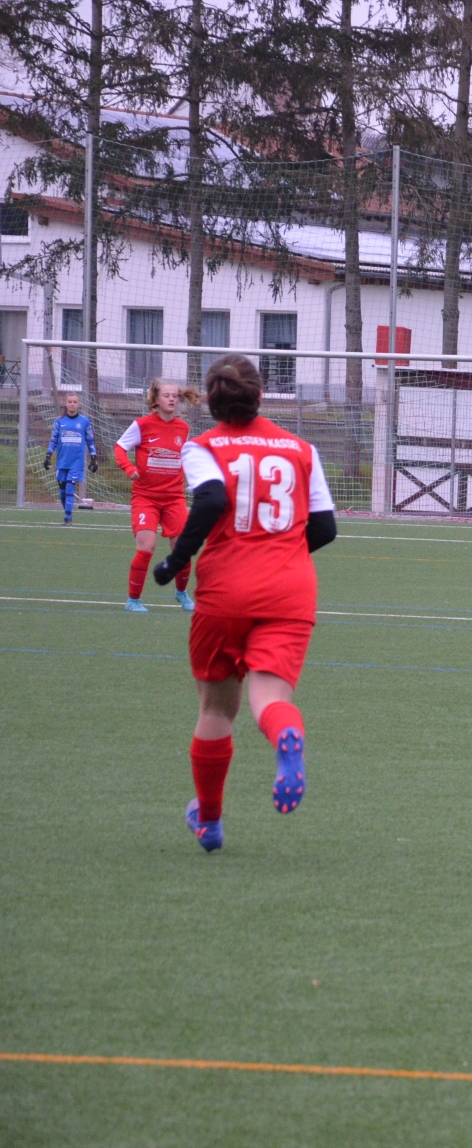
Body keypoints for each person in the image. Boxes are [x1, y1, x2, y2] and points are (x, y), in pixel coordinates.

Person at [151, 355, 337, 853]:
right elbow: (325, 528)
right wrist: (280, 555)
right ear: (261, 396)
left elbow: (210, 500)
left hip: (226, 589)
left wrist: (176, 560)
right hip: (290, 590)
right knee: (270, 701)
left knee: (215, 709)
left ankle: (209, 820)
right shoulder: (301, 448)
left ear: (210, 404)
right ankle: (284, 740)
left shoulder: (203, 446)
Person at [115, 378, 200, 613]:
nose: (172, 399)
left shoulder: (183, 428)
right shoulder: (141, 425)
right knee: (147, 547)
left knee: (182, 548)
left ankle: (182, 594)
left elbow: (182, 457)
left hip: (174, 498)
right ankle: (133, 600)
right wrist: (129, 469)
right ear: (156, 400)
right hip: (146, 498)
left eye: (175, 395)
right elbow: (119, 447)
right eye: (166, 395)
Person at [42, 391, 96, 524]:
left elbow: (90, 440)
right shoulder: (59, 422)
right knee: (62, 492)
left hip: (76, 462)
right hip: (62, 461)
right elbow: (53, 440)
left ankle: (68, 516)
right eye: (70, 402)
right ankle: (67, 510)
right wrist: (48, 455)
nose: (72, 404)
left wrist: (94, 458)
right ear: (65, 404)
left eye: (75, 402)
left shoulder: (84, 422)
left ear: (79, 405)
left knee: (70, 486)